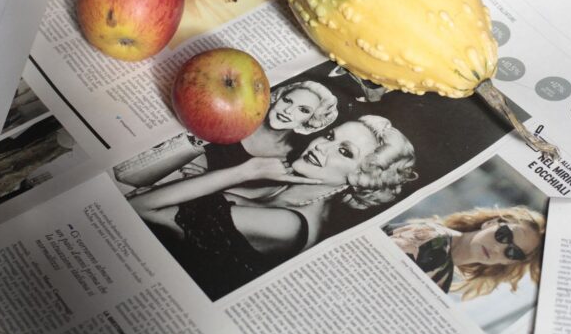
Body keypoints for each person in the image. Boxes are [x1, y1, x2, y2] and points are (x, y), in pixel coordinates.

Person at [129, 115, 417, 299]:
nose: (321, 147)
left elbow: (142, 205)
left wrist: (245, 171)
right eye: (330, 136)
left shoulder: (288, 225)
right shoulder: (285, 186)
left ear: (361, 179)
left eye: (344, 152)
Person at [115, 79, 340, 192]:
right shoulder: (236, 116)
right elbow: (128, 176)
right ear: (278, 97)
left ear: (311, 120)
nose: (288, 111)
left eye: (303, 110)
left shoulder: (295, 158)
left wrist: (208, 179)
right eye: (288, 100)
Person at [386, 205, 545, 299]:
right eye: (504, 235)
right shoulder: (435, 239)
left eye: (512, 253)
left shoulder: (444, 273)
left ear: (509, 262)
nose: (498, 248)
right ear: (491, 223)